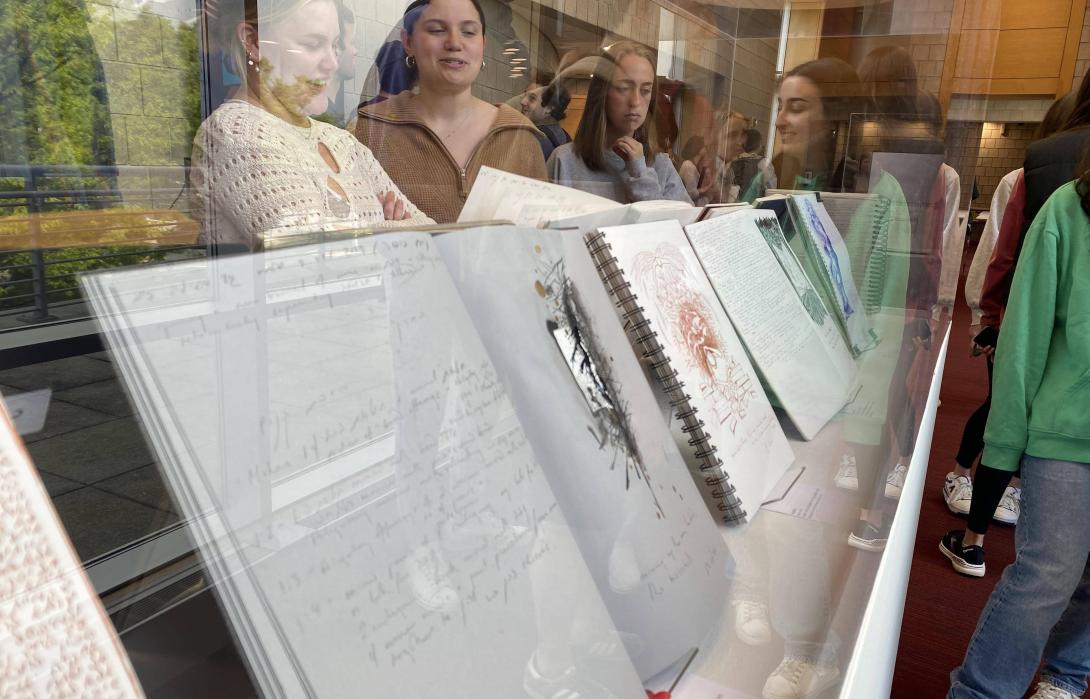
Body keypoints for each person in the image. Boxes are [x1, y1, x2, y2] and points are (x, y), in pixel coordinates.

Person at [946, 169, 1090, 699]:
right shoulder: (1068, 208)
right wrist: (1003, 445)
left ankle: (1065, 676)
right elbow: (1024, 334)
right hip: (1065, 429)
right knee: (1047, 575)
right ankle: (980, 692)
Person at [941, 87, 1087, 576]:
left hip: (1020, 319)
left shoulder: (1032, 170)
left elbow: (999, 258)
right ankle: (1011, 499)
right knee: (1029, 417)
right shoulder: (1046, 180)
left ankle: (973, 534)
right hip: (1072, 340)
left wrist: (985, 317)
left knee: (1004, 412)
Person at [192, 0, 432, 250]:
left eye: (335, 45)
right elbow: (318, 258)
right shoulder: (235, 132)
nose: (332, 63)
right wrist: (397, 228)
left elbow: (434, 233)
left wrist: (373, 237)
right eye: (312, 44)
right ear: (253, 42)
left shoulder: (339, 140)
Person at [354, 0, 546, 223]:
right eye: (437, 29)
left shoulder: (520, 137)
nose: (455, 43)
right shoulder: (371, 128)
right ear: (408, 41)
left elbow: (541, 241)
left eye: (468, 32)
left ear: (483, 44)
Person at [546, 41, 691, 205]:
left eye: (645, 91)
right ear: (602, 93)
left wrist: (640, 174)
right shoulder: (564, 160)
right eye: (624, 88)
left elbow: (680, 227)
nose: (635, 101)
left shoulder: (661, 165)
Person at [519, 76, 572, 161]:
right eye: (524, 95)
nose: (522, 101)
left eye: (532, 98)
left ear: (549, 108)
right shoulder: (562, 136)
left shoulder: (535, 140)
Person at [678, 136, 714, 206]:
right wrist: (707, 188)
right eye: (703, 145)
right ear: (697, 148)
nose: (705, 147)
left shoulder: (694, 165)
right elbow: (691, 194)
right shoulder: (688, 165)